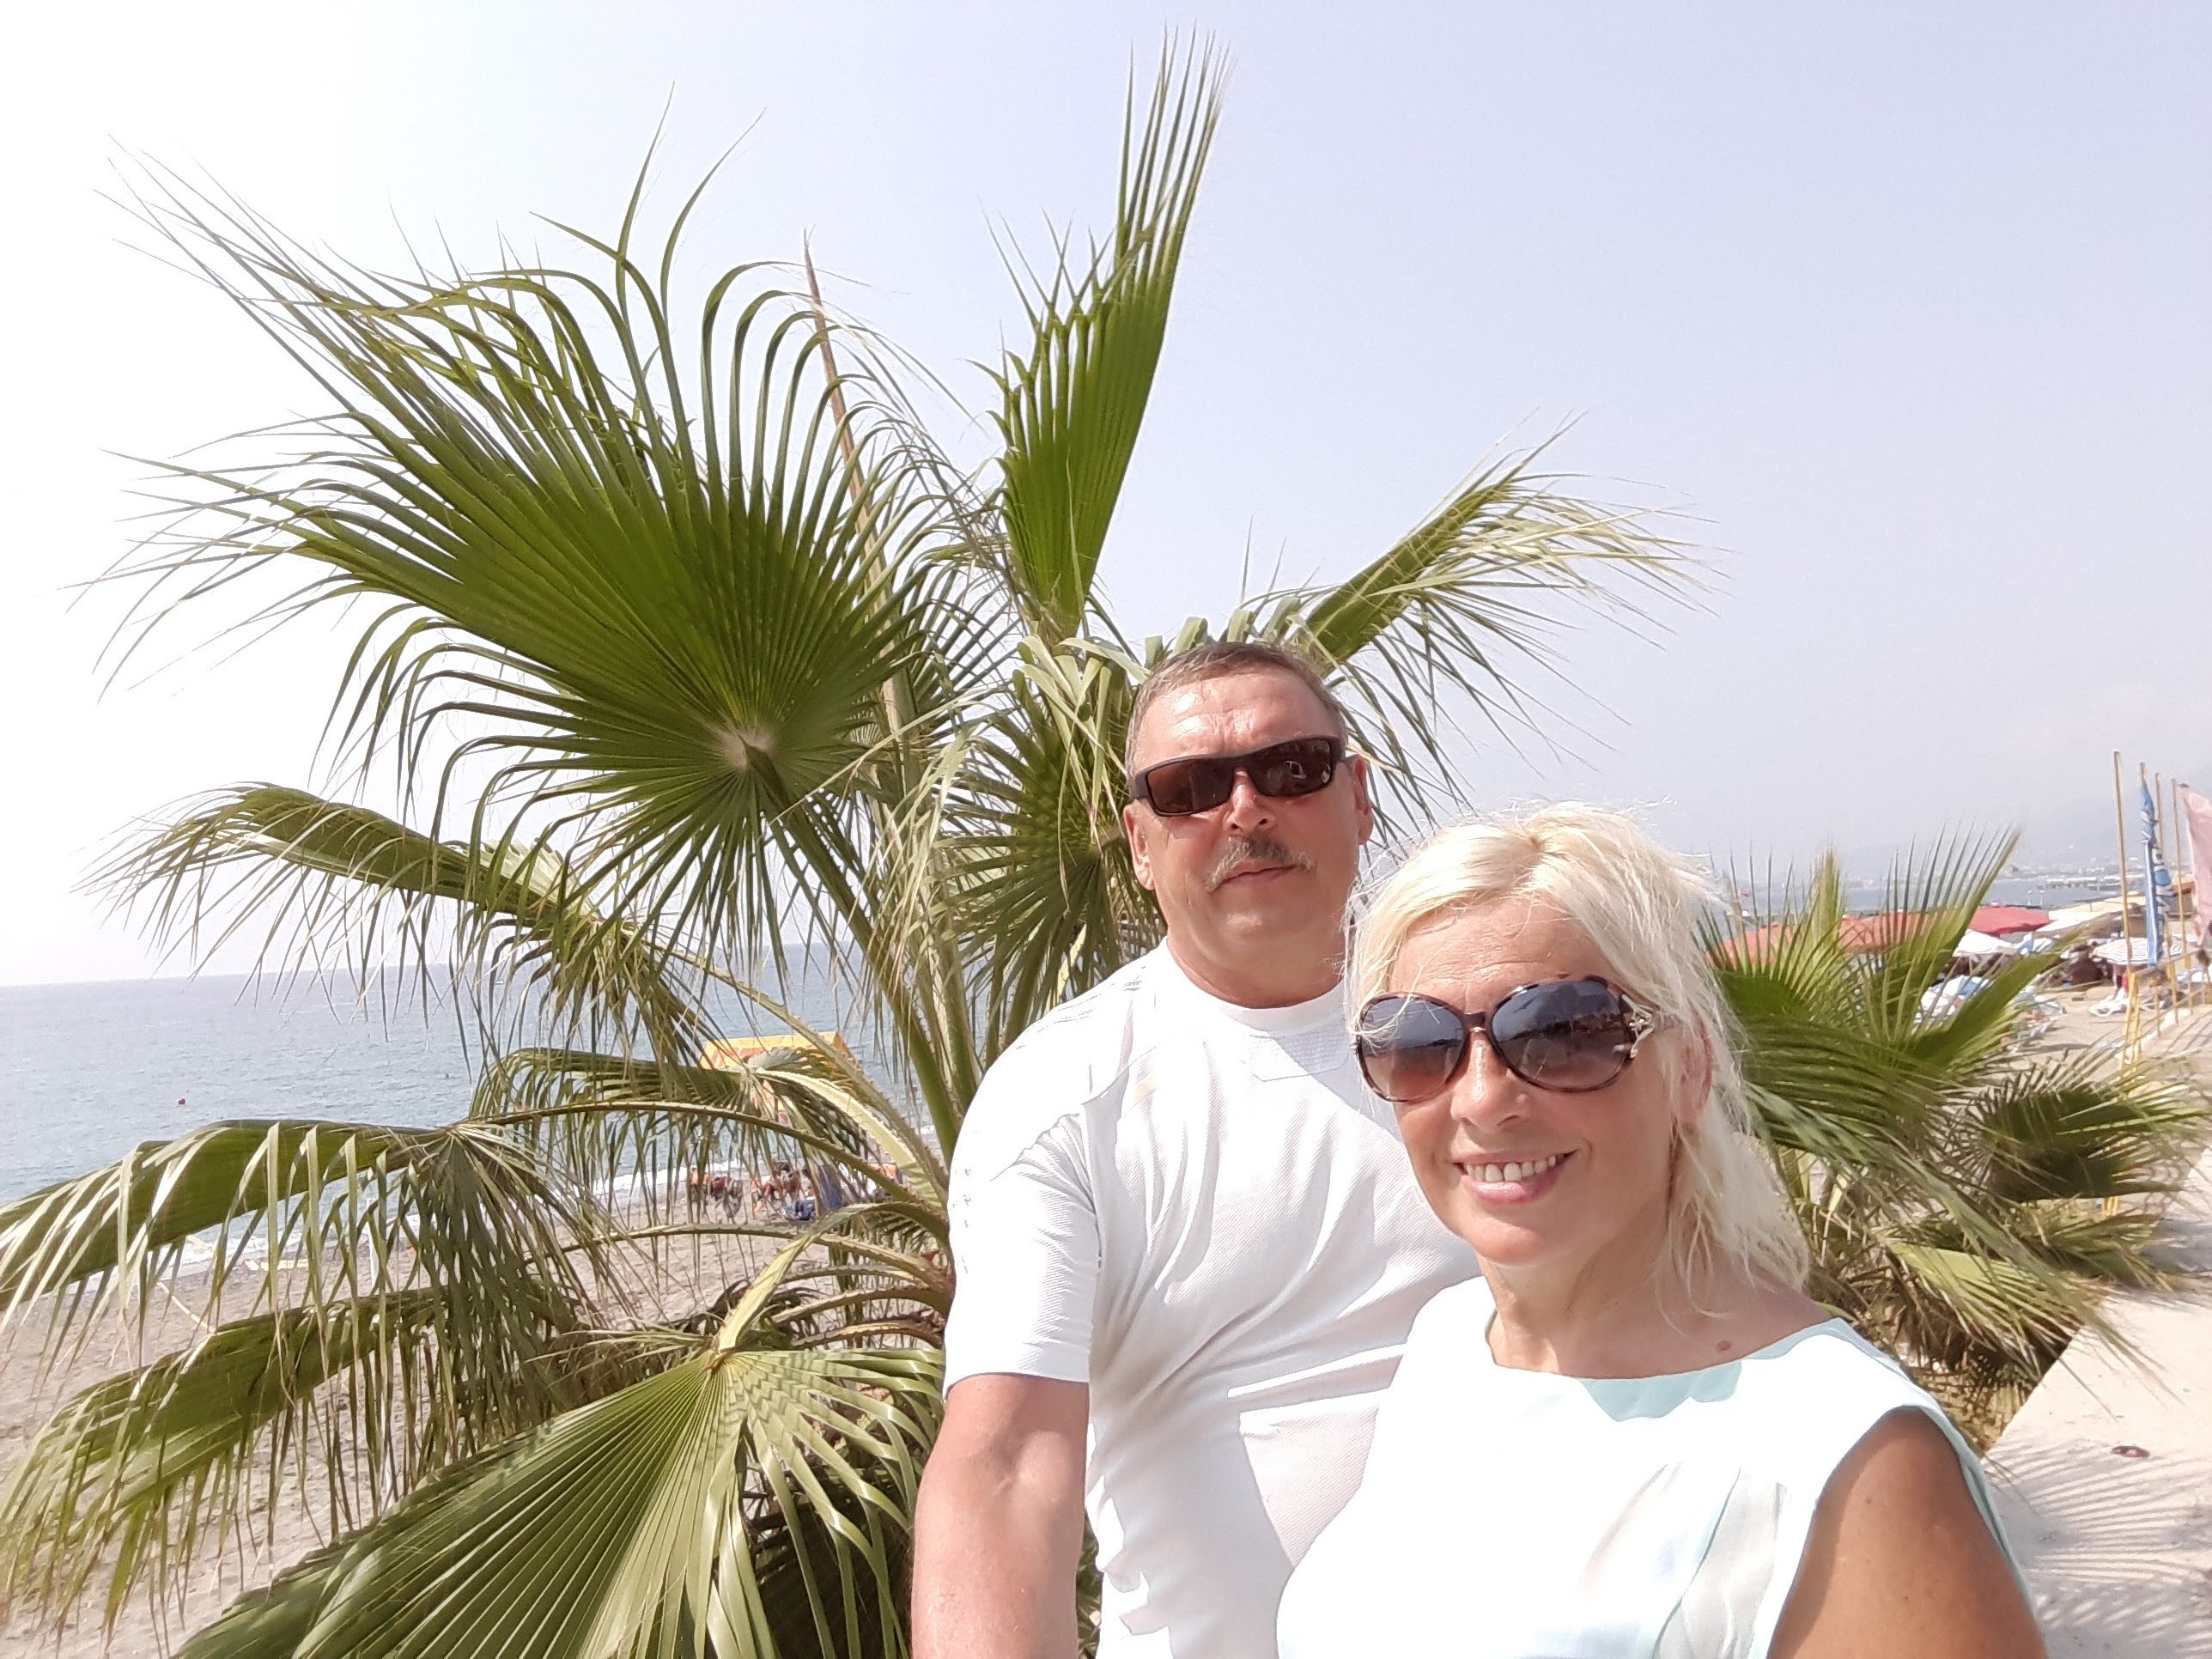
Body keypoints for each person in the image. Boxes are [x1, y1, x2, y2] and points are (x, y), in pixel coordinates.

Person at [1276, 805, 2045, 1659]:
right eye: (1420, 1043)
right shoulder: (1450, 1343)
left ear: (1689, 1067)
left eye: (1562, 1031)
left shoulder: (1844, 1458)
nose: (1483, 1099)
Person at [911, 641, 1478, 1659]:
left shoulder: (1501, 1038)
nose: (1245, 811)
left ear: (1357, 797)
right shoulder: (1064, 1096)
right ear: (1138, 842)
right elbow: (1006, 1463)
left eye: (1290, 768)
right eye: (1189, 789)